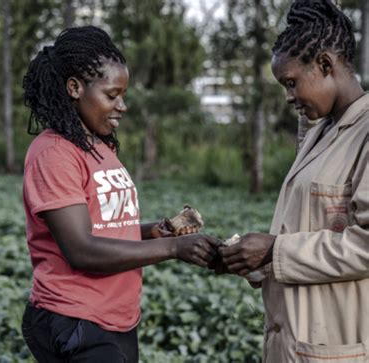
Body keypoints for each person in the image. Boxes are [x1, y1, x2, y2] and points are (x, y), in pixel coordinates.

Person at [20, 26, 220, 363]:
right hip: (76, 319)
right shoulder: (53, 153)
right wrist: (173, 247)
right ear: (74, 88)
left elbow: (106, 226)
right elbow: (81, 249)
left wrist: (153, 231)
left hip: (116, 318)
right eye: (112, 95)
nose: (122, 106)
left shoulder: (99, 147)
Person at [218, 1, 368, 362]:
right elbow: (305, 226)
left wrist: (274, 250)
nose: (288, 97)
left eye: (291, 83)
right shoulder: (320, 132)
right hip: (292, 343)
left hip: (337, 345)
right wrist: (251, 259)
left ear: (325, 65)